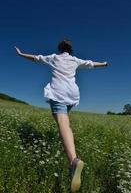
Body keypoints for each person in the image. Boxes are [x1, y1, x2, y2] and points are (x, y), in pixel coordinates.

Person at [15, 40, 108, 192]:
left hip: (58, 92)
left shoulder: (53, 57)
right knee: (64, 123)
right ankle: (66, 143)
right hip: (72, 94)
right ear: (70, 50)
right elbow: (91, 64)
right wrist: (104, 64)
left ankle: (73, 161)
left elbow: (35, 58)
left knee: (63, 124)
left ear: (59, 49)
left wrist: (20, 54)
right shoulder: (75, 60)